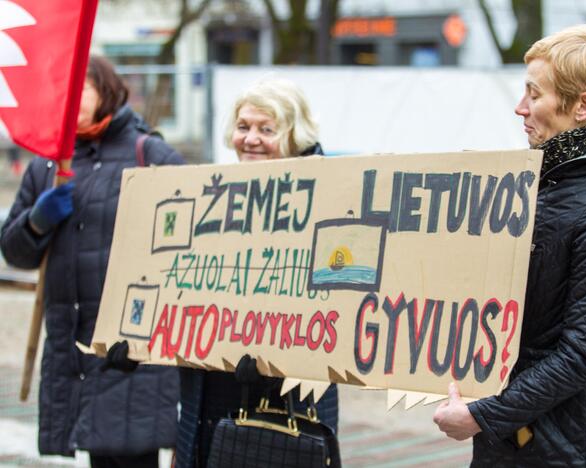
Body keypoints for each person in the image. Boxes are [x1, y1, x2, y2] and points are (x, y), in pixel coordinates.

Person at [432, 23, 586, 467]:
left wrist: (483, 415)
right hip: (520, 435)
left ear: (582, 106)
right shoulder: (541, 184)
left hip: (568, 443)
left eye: (534, 95)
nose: (520, 109)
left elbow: (581, 355)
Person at [0, 56, 183, 467]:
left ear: (108, 91)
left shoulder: (148, 153)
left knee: (131, 454)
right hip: (72, 346)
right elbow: (15, 252)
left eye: (83, 87)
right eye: (65, 89)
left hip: (130, 348)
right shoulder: (47, 164)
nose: (72, 98)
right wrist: (36, 221)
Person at [174, 78, 338, 468]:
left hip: (286, 410)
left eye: (267, 129)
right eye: (244, 126)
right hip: (209, 395)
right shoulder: (218, 197)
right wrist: (141, 343)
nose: (251, 139)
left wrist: (275, 362)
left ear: (295, 135)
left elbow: (336, 307)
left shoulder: (329, 198)